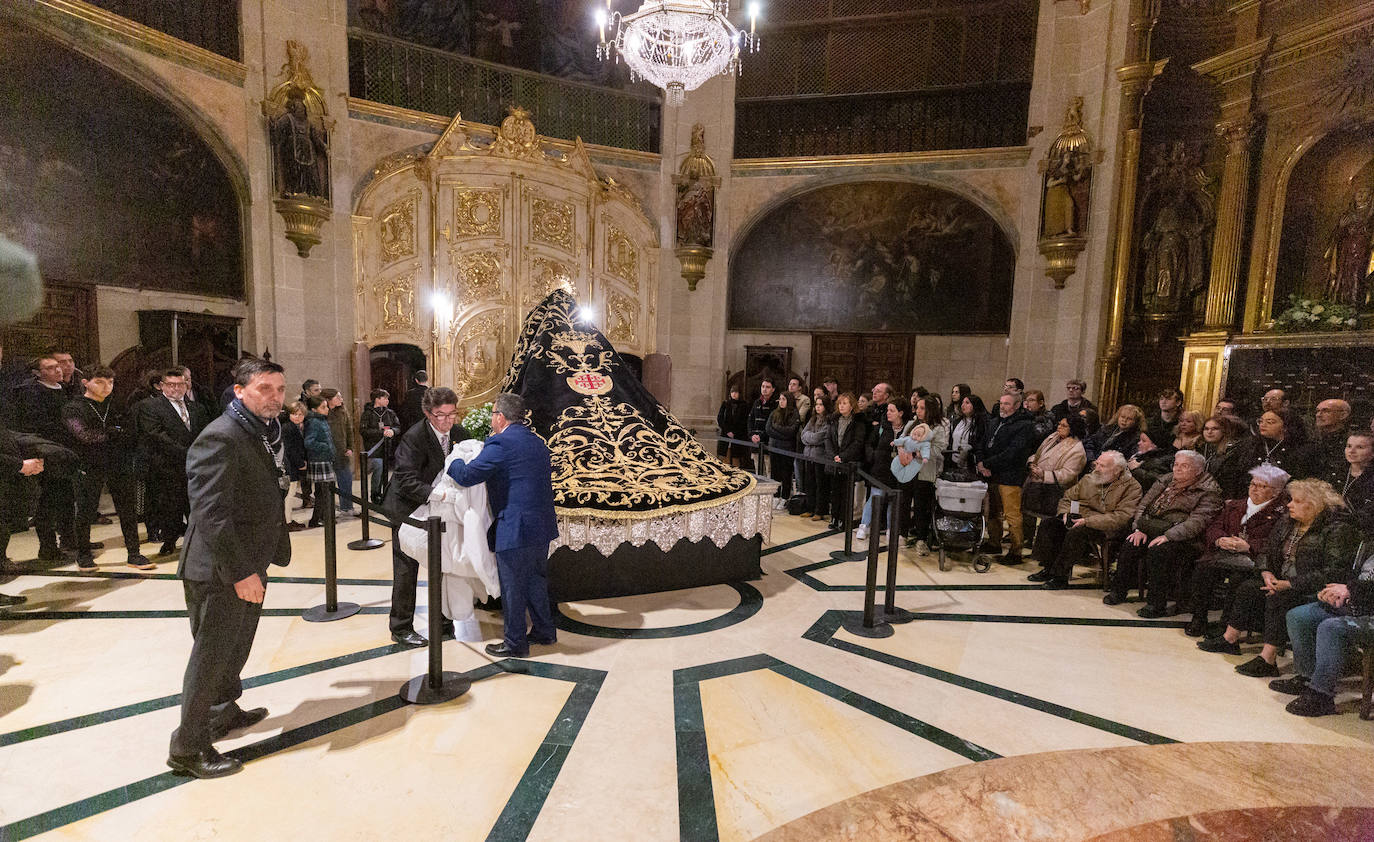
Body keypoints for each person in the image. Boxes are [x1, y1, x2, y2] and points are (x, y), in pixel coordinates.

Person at [167, 358, 291, 779]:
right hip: (220, 570)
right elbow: (211, 515)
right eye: (264, 389)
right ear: (239, 390)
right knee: (210, 658)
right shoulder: (220, 436)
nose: (275, 397)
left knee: (234, 650)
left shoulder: (256, 431)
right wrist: (241, 573)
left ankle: (223, 712)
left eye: (279, 388)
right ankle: (188, 748)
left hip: (247, 561)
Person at [1198, 479, 1360, 678]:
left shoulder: (1337, 529)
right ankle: (1230, 639)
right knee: (1249, 587)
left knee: (1280, 597)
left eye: (1297, 501)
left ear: (1315, 505)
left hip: (1310, 586)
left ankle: (1268, 659)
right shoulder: (1287, 521)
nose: (1290, 505)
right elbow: (1266, 550)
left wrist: (1290, 584)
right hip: (1281, 579)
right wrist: (1266, 572)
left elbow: (1333, 572)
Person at [445, 393, 558, 658]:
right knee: (535, 582)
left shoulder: (501, 443)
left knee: (513, 587)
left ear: (501, 417)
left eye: (493, 413)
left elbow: (468, 476)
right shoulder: (537, 441)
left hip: (515, 528)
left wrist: (455, 459)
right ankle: (544, 631)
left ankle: (515, 643)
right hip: (541, 525)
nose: (492, 419)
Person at [382, 387, 468, 646]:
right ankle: (400, 627)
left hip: (440, 514)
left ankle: (443, 623)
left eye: (451, 414)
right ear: (428, 413)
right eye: (440, 415)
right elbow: (406, 480)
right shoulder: (414, 437)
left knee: (443, 565)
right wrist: (438, 494)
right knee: (406, 569)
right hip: (407, 509)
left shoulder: (460, 434)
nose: (446, 421)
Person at [1104, 450, 1222, 616]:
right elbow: (1143, 505)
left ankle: (1156, 604)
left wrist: (1168, 536)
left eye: (1184, 466)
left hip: (1186, 538)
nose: (1177, 469)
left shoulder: (1209, 491)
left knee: (1158, 551)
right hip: (1153, 528)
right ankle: (1118, 591)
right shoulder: (1166, 480)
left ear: (1198, 470)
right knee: (1131, 542)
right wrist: (1139, 528)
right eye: (1176, 464)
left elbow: (1196, 523)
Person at [1180, 465, 1290, 637]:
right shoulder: (1235, 505)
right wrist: (1219, 539)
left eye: (1262, 486)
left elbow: (1276, 542)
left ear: (1276, 492)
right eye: (1253, 484)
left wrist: (1249, 546)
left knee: (1239, 579)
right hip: (1224, 553)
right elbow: (1215, 526)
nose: (1255, 489)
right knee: (1203, 568)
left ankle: (1226, 625)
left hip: (1252, 559)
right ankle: (1199, 618)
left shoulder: (1282, 514)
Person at [63, 366, 149, 570]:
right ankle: (83, 554)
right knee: (86, 510)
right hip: (89, 464)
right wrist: (112, 433)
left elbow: (131, 432)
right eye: (100, 382)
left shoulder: (117, 404)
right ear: (86, 382)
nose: (106, 387)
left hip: (119, 462)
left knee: (128, 510)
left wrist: (112, 434)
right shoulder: (75, 407)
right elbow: (83, 435)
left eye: (110, 382)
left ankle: (134, 553)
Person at [1277, 542, 1374, 716]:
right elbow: (1352, 574)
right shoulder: (1368, 541)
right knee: (1298, 616)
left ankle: (1321, 695)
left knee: (1331, 628)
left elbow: (1358, 587)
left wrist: (1352, 590)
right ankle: (1307, 678)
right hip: (1359, 604)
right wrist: (1334, 591)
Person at [1029, 452, 1141, 588]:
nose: (1097, 468)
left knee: (1077, 533)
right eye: (1097, 464)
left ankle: (1060, 576)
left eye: (1102, 466)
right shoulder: (1090, 478)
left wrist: (1088, 521)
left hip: (1106, 526)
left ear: (1117, 470)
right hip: (1081, 517)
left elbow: (1121, 517)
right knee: (1050, 524)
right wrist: (1067, 513)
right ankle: (1048, 568)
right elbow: (1069, 498)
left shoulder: (1132, 487)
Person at [9, 355, 77, 559]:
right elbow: (35, 424)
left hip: (63, 451)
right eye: (50, 368)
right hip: (45, 452)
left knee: (66, 497)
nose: (58, 370)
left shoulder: (62, 389)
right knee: (48, 500)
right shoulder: (31, 393)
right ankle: (48, 546)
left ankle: (69, 539)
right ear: (38, 373)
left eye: (58, 367)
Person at [136, 368, 209, 557]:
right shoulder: (150, 407)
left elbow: (205, 433)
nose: (176, 388)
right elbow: (156, 434)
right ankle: (169, 540)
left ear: (186, 385)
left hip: (194, 466)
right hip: (167, 465)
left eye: (180, 384)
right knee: (170, 506)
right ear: (162, 386)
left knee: (195, 505)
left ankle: (197, 541)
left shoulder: (197, 408)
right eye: (171, 384)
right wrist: (187, 452)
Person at [976, 393, 1038, 564]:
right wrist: (981, 462)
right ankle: (994, 542)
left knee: (1012, 514)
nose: (1002, 407)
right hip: (991, 475)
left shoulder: (1025, 426)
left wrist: (987, 464)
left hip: (1010, 475)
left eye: (1007, 404)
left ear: (1017, 406)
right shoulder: (994, 422)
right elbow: (981, 443)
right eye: (1001, 403)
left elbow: (1013, 452)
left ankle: (1016, 550)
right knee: (993, 511)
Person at [1021, 414, 1087, 552]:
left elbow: (1068, 473)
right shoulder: (1053, 437)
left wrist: (1044, 474)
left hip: (1055, 490)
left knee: (1048, 521)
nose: (1059, 427)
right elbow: (1038, 454)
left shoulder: (1077, 449)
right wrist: (1032, 463)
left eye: (1064, 425)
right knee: (1028, 514)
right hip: (1037, 484)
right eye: (1059, 424)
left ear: (1073, 429)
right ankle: (1028, 543)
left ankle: (1044, 553)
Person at [855, 396, 909, 541]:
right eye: (888, 410)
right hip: (880, 468)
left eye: (892, 410)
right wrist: (873, 456)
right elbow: (870, 443)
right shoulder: (882, 428)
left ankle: (891, 529)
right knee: (875, 496)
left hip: (898, 470)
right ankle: (864, 525)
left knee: (893, 500)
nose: (888, 413)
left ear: (901, 413)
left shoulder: (908, 429)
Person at [902, 395, 948, 553]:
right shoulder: (911, 424)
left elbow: (938, 450)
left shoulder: (938, 428)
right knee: (904, 502)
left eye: (923, 408)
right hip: (908, 469)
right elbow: (902, 441)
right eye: (918, 408)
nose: (919, 411)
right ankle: (903, 534)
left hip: (925, 472)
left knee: (922, 506)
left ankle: (921, 538)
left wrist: (920, 451)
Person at [826, 392, 867, 531]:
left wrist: (843, 456)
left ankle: (843, 519)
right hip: (835, 460)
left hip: (848, 461)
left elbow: (858, 442)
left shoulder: (858, 422)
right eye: (840, 403)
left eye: (845, 403)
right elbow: (828, 439)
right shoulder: (834, 419)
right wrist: (833, 455)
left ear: (852, 405)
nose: (841, 406)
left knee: (846, 492)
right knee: (835, 490)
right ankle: (834, 517)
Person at [1244, 407, 1317, 479]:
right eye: (1260, 421)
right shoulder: (1253, 445)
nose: (1262, 425)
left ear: (1285, 427)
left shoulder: (1300, 448)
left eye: (1270, 422)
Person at [360, 388, 401, 505]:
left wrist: (393, 431)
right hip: (374, 447)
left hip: (387, 447)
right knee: (378, 467)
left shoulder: (390, 413)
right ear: (377, 399)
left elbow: (398, 427)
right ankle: (375, 493)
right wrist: (380, 432)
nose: (387, 400)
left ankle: (386, 494)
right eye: (385, 398)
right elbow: (363, 430)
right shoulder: (367, 413)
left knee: (386, 470)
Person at [321, 388, 357, 517]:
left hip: (342, 452)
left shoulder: (342, 411)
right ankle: (327, 511)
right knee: (327, 485)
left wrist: (350, 447)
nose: (341, 399)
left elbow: (349, 430)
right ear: (328, 400)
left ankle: (347, 507)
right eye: (338, 397)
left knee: (346, 480)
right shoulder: (322, 413)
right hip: (327, 454)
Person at [1199, 414, 1251, 499]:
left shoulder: (1234, 452)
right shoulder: (1204, 448)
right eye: (1206, 429)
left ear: (1224, 431)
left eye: (1215, 429)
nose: (1209, 432)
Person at [799, 397, 834, 521]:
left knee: (821, 485)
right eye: (817, 404)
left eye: (821, 404)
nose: (818, 407)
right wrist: (810, 438)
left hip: (820, 457)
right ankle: (810, 508)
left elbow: (820, 437)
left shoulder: (829, 420)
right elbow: (803, 434)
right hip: (809, 455)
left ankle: (820, 510)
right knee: (810, 483)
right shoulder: (813, 419)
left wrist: (810, 438)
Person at [765, 392, 800, 506]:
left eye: (783, 399)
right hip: (774, 447)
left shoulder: (794, 413)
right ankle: (776, 495)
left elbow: (790, 432)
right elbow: (768, 429)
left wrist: (776, 428)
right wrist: (780, 433)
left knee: (786, 473)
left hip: (787, 448)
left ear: (789, 400)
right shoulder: (774, 413)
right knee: (775, 473)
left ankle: (784, 497)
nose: (781, 401)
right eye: (780, 399)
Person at [1336, 431, 1374, 533]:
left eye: (1360, 447)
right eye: (1349, 446)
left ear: (1372, 453)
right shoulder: (1335, 472)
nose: (1352, 451)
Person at [280, 401, 308, 531]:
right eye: (295, 414)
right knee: (289, 495)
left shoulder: (292, 427)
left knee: (290, 494)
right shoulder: (288, 428)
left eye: (300, 415)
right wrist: (300, 463)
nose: (297, 417)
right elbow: (290, 449)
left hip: (292, 465)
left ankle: (289, 519)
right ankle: (287, 521)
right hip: (290, 465)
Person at [1313, 399, 1353, 484]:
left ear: (1343, 415)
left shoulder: (1352, 442)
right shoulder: (1311, 439)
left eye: (1326, 411)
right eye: (1317, 411)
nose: (1318, 415)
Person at [950, 394, 989, 473]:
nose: (963, 405)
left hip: (971, 464)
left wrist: (969, 448)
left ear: (975, 405)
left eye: (967, 403)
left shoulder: (982, 423)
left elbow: (981, 444)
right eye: (962, 403)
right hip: (954, 461)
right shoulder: (957, 421)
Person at [715, 386, 750, 468]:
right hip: (725, 433)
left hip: (738, 435)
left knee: (736, 458)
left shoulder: (744, 405)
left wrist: (735, 432)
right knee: (723, 457)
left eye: (736, 392)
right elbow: (720, 418)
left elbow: (744, 421)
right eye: (732, 392)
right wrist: (727, 431)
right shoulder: (725, 403)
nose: (734, 394)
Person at [747, 378, 778, 468]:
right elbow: (750, 420)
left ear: (773, 389)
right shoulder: (757, 402)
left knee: (768, 470)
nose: (764, 389)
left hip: (767, 443)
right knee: (758, 470)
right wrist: (752, 435)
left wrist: (761, 436)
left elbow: (772, 425)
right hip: (755, 442)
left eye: (768, 387)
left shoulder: (775, 404)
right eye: (763, 386)